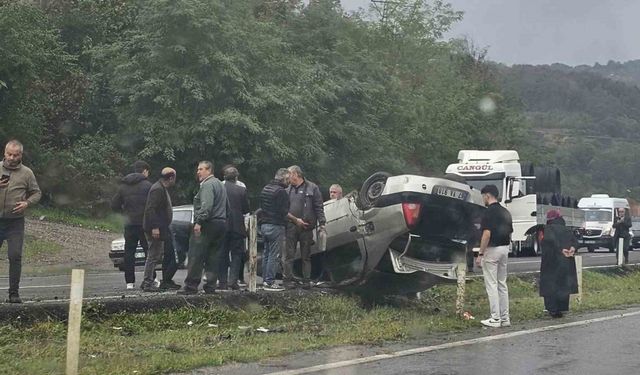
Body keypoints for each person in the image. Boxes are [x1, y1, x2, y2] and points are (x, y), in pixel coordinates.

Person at [0, 140, 41, 303]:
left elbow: (37, 193)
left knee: (15, 255)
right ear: (4, 153)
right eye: (9, 154)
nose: (11, 158)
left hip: (15, 222)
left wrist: (27, 203)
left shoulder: (27, 173)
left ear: (20, 155)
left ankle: (14, 293)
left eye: (15, 155)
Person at [178, 161, 228, 295]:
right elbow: (226, 206)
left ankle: (191, 286)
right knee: (214, 257)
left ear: (209, 170)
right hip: (221, 224)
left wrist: (199, 222)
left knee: (196, 255)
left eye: (201, 169)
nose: (198, 172)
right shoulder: (220, 185)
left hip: (207, 223)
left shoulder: (207, 184)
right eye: (198, 169)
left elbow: (206, 205)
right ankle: (210, 286)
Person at [475, 184, 513, 328]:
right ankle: (505, 318)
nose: (483, 199)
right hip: (505, 248)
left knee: (491, 284)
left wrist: (480, 253)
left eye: (483, 196)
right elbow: (510, 232)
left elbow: (486, 234)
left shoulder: (488, 213)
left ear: (488, 195)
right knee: (502, 284)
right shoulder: (505, 212)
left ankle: (495, 318)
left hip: (492, 249)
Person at [111, 160, 153, 290]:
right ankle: (151, 278)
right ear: (145, 171)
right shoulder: (148, 186)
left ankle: (129, 282)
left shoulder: (123, 187)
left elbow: (114, 205)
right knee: (149, 252)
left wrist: (124, 214)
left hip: (129, 224)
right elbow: (153, 205)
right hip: (144, 224)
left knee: (129, 253)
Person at [284, 165, 326, 288]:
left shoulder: (312, 188)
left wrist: (322, 223)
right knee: (289, 255)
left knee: (306, 256)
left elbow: (319, 206)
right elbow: (283, 208)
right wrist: (294, 220)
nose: (287, 177)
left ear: (296, 174)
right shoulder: (287, 189)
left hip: (307, 227)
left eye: (289, 174)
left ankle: (306, 280)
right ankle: (287, 279)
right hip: (291, 225)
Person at [141, 167, 178, 291]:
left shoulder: (160, 187)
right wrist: (155, 227)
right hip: (155, 228)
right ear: (171, 178)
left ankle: (148, 281)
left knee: (155, 255)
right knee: (153, 255)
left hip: (160, 227)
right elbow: (151, 209)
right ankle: (147, 282)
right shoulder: (157, 189)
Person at [539, 209, 578, 318]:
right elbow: (575, 241)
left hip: (551, 262)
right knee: (564, 284)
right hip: (566, 261)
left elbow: (549, 241)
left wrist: (560, 250)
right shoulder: (566, 229)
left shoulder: (547, 229)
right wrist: (572, 249)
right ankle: (563, 307)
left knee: (550, 285)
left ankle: (552, 309)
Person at [258, 168, 290, 291]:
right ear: (283, 178)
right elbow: (284, 211)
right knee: (274, 255)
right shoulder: (281, 192)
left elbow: (262, 206)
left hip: (264, 225)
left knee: (266, 253)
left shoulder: (266, 188)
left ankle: (265, 280)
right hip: (275, 224)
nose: (288, 182)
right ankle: (270, 282)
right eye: (288, 179)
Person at [218, 166, 250, 290]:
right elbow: (246, 210)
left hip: (222, 224)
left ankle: (222, 282)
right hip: (237, 226)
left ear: (224, 176)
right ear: (236, 177)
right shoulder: (241, 190)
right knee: (237, 254)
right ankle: (233, 280)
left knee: (222, 254)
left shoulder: (219, 188)